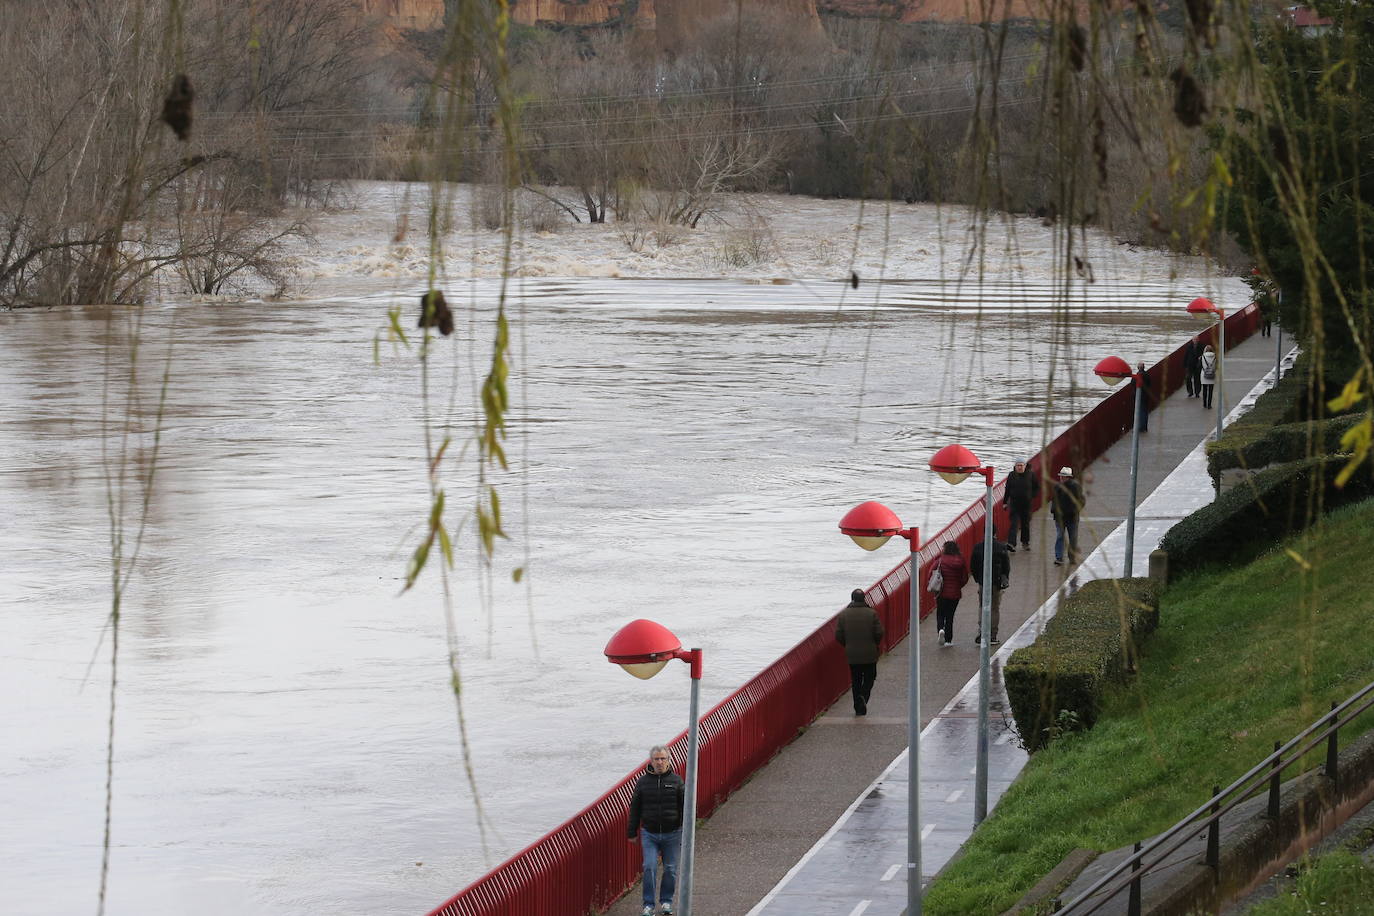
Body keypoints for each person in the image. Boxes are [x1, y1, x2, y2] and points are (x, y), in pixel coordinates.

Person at [627, 746, 685, 916]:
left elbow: (685, 807)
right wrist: (632, 832)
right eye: (656, 759)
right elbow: (635, 808)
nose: (660, 762)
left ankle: (666, 902)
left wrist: (686, 829)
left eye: (663, 759)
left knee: (670, 869)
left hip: (672, 833)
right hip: (649, 833)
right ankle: (648, 905)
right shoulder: (642, 782)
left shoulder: (676, 781)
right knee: (649, 867)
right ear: (651, 761)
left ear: (669, 760)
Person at [835, 588, 884, 716]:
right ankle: (863, 696)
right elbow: (879, 632)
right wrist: (875, 643)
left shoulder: (844, 615)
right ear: (864, 599)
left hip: (852, 654)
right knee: (870, 677)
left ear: (852, 599)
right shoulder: (871, 613)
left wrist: (847, 645)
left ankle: (858, 707)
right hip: (870, 654)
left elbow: (838, 635)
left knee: (855, 680)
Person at [970, 529, 1011, 645]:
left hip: (983, 582)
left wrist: (978, 579)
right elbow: (1006, 566)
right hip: (996, 583)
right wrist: (1004, 578)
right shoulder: (1001, 547)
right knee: (994, 608)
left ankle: (982, 632)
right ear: (995, 534)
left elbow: (973, 565)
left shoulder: (978, 547)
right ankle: (992, 635)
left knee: (982, 606)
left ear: (984, 534)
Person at [932, 541, 970, 647]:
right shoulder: (960, 561)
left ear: (945, 549)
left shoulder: (940, 560)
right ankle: (948, 640)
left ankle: (940, 630)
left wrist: (934, 588)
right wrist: (958, 586)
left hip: (942, 593)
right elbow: (965, 578)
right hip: (955, 594)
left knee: (940, 613)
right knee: (950, 616)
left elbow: (931, 573)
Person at [1002, 458, 1039, 552]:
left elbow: (1037, 487)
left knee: (1025, 524)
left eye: (1021, 465)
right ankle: (1011, 544)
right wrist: (1005, 502)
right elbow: (1007, 489)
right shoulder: (1011, 475)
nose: (1019, 467)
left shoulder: (1031, 474)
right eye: (1018, 465)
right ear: (1015, 466)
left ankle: (1025, 542)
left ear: (1025, 466)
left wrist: (1032, 496)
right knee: (1014, 524)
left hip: (1026, 504)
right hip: (1014, 504)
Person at [1051, 467, 1084, 567]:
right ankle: (1059, 558)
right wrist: (1053, 511)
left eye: (1064, 476)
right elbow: (1054, 500)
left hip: (1072, 518)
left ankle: (1072, 557)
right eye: (1061, 476)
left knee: (1072, 538)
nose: (1062, 478)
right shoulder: (1057, 487)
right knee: (1060, 536)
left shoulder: (1076, 487)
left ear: (1069, 477)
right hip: (1060, 518)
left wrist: (1075, 510)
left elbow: (1081, 501)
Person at [1134, 363, 1153, 433]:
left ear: (1138, 368)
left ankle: (1140, 427)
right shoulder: (1147, 375)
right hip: (1146, 396)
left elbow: (1133, 384)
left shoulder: (1138, 375)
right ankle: (1144, 427)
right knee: (1145, 411)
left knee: (1140, 411)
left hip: (1139, 396)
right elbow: (1149, 383)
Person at [1200, 344, 1218, 409]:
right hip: (1212, 374)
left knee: (1204, 390)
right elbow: (1216, 366)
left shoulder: (1202, 356)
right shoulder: (1215, 356)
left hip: (1204, 374)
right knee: (1210, 391)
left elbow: (1200, 365)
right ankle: (1209, 405)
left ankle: (1204, 404)